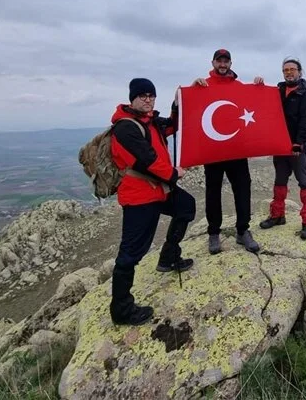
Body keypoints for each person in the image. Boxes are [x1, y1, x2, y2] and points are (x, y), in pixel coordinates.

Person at [108, 77, 196, 326]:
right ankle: (122, 310)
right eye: (142, 95)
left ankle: (168, 257)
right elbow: (146, 161)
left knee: (186, 206)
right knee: (130, 253)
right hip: (139, 197)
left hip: (159, 191)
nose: (147, 99)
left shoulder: (151, 121)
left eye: (151, 95)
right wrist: (173, 173)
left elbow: (174, 125)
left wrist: (179, 104)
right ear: (132, 98)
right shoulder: (125, 128)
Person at [192, 48, 264, 255]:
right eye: (219, 61)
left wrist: (258, 87)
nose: (222, 64)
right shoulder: (203, 85)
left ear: (231, 64)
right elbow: (188, 109)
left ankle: (243, 231)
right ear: (213, 63)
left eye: (226, 61)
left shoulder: (239, 87)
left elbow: (256, 105)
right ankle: (214, 233)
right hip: (213, 151)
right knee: (212, 191)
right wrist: (191, 88)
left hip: (236, 150)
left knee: (243, 188)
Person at [259, 56, 306, 239]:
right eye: (286, 70)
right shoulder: (278, 90)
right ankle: (277, 215)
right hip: (281, 145)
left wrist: (298, 143)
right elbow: (263, 105)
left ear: (299, 71)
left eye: (292, 69)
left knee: (304, 183)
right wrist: (258, 86)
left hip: (298, 146)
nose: (289, 72)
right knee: (280, 181)